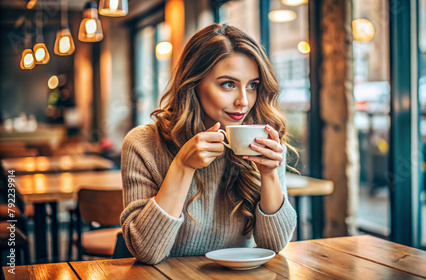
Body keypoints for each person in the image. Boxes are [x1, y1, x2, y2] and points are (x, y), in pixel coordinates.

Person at [120, 24, 298, 265]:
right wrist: (182, 166)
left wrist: (269, 175)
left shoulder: (264, 142)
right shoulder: (143, 144)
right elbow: (147, 252)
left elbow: (274, 246)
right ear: (193, 83)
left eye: (252, 85)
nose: (243, 101)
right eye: (228, 84)